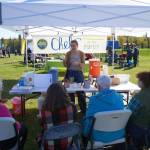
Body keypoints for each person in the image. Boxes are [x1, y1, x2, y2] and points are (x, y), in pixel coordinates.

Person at [82, 75, 124, 149]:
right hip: (118, 134)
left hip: (99, 136)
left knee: (85, 121)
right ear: (109, 85)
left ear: (99, 86)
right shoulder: (119, 98)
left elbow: (89, 119)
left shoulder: (93, 100)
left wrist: (85, 133)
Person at [38, 83, 77, 150]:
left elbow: (42, 125)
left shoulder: (44, 110)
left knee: (40, 135)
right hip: (67, 143)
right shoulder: (72, 107)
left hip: (49, 145)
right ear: (64, 92)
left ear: (48, 95)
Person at [127, 72, 150, 150]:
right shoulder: (141, 94)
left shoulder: (139, 96)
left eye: (139, 80)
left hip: (139, 128)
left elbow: (128, 113)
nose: (138, 81)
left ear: (143, 82)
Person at [63, 40, 86, 114]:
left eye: (74, 45)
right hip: (70, 73)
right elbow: (65, 65)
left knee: (80, 91)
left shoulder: (81, 53)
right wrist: (65, 61)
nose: (72, 47)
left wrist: (78, 63)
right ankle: (72, 110)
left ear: (77, 45)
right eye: (71, 45)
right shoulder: (68, 53)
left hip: (79, 73)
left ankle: (83, 109)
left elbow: (83, 65)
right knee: (70, 91)